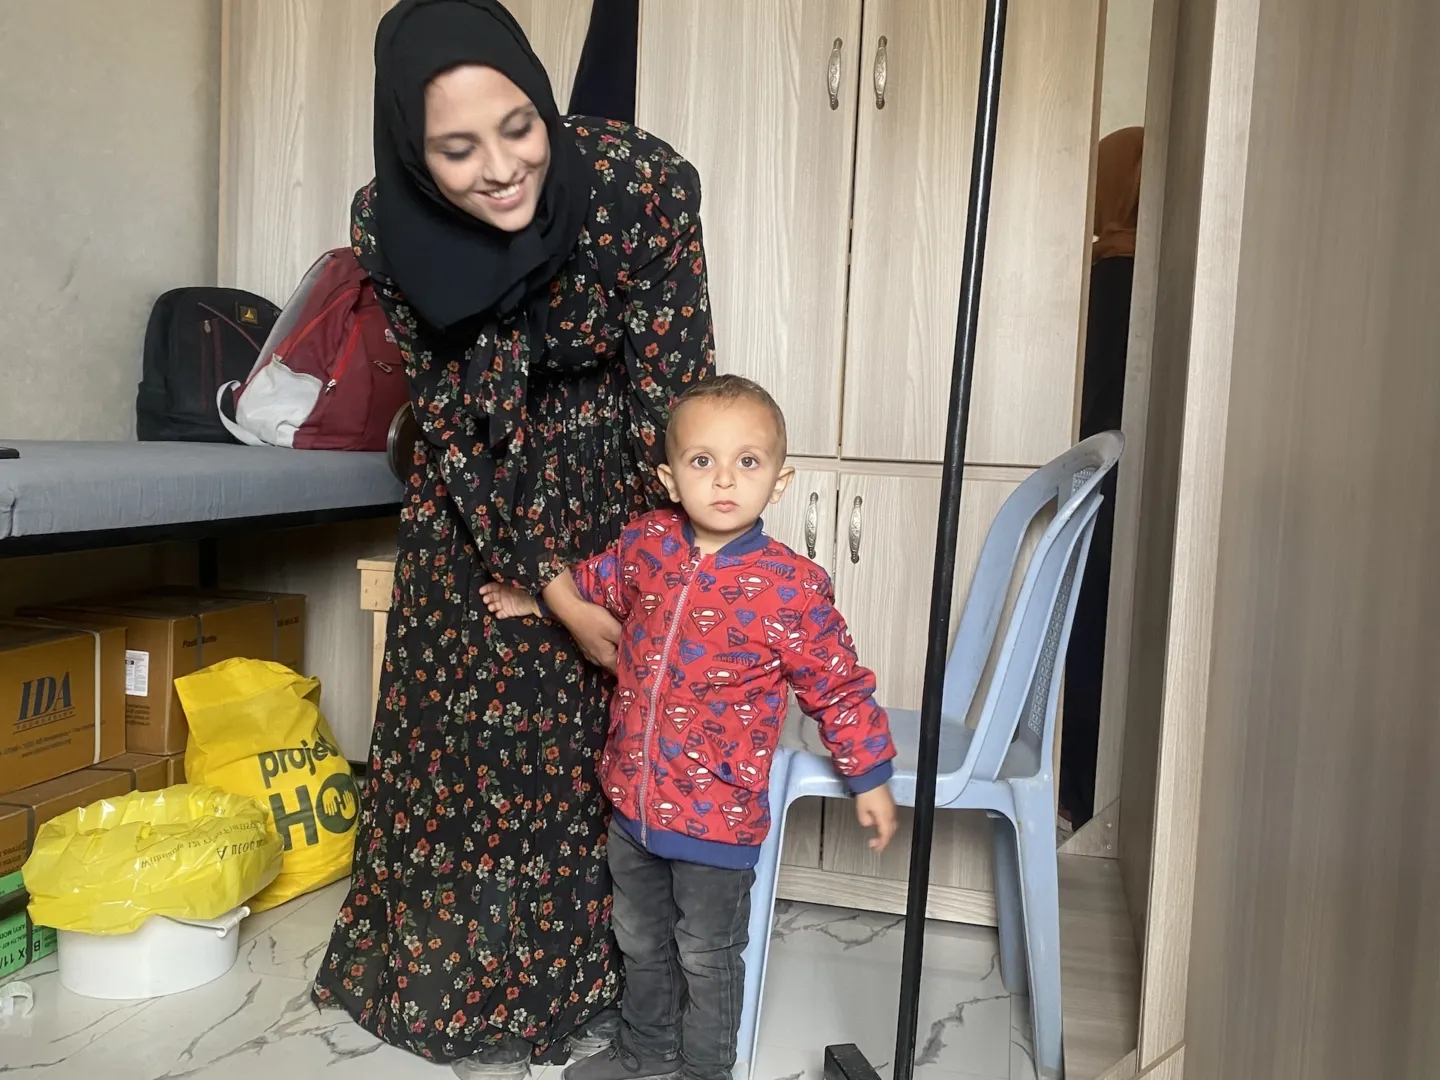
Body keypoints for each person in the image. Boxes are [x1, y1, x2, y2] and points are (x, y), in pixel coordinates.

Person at [310, 2, 715, 1076]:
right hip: (475, 488)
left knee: (599, 734)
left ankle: (601, 989)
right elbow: (446, 417)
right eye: (455, 149)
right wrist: (542, 582)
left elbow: (672, 396)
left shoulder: (642, 189)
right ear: (410, 150)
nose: (499, 169)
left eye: (519, 127)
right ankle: (460, 981)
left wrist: (632, 574)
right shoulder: (382, 225)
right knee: (467, 728)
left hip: (619, 477)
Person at [480, 375, 900, 1080]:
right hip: (634, 806)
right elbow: (595, 582)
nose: (726, 479)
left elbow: (839, 684)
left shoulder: (790, 587)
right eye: (703, 462)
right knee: (639, 944)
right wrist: (535, 601)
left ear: (781, 479)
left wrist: (870, 776)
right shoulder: (648, 543)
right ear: (670, 478)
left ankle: (706, 1073)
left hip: (718, 819)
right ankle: (647, 1058)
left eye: (749, 461)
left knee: (706, 957)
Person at [1059, 125, 1144, 827]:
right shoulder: (1168, 289)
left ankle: (1076, 791)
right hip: (1145, 501)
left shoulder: (1095, 288)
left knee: (1085, 626)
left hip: (1090, 495)